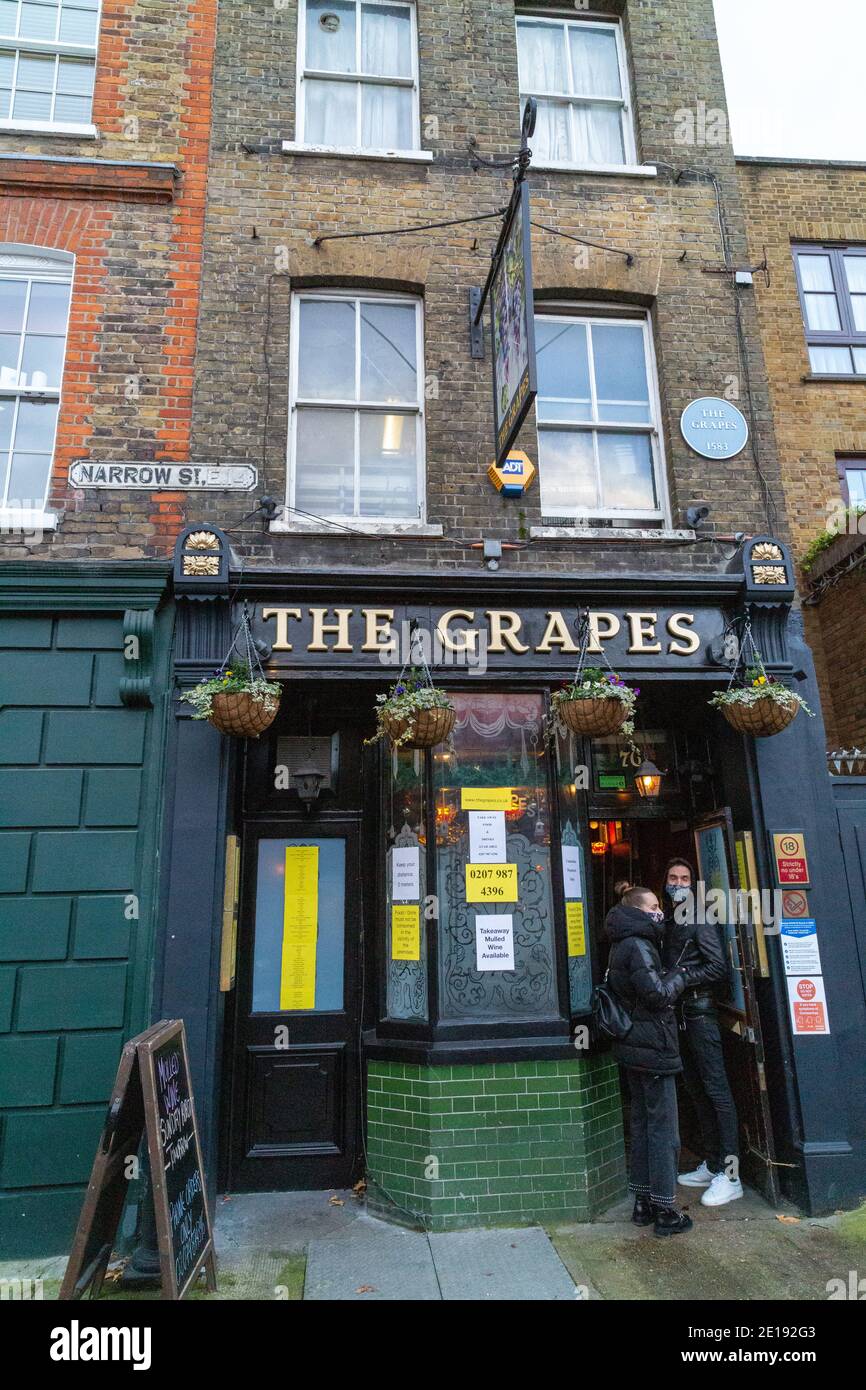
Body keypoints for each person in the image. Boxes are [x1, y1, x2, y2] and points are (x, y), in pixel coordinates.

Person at [605, 886, 692, 1237]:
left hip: (633, 1047)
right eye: (654, 907)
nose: (660, 912)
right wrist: (680, 976)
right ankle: (665, 1209)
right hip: (652, 1047)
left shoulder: (622, 941)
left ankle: (642, 1202)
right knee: (663, 1129)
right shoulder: (639, 945)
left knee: (642, 1123)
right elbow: (655, 994)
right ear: (640, 912)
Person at [662, 857, 743, 1207]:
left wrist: (681, 978)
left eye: (684, 877)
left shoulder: (699, 917)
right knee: (696, 1088)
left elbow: (717, 967)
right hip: (681, 1014)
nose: (678, 882)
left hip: (700, 1013)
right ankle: (712, 1164)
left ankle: (731, 1174)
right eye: (672, 876)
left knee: (716, 1089)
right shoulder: (671, 920)